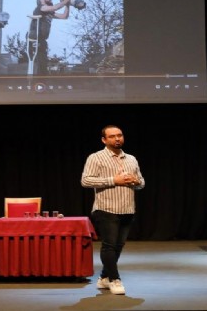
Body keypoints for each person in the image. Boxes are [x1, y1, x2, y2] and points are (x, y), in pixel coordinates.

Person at [81, 125, 145, 295]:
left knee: (118, 246)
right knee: (109, 245)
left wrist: (136, 181)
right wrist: (113, 180)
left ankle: (104, 277)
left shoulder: (131, 159)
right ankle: (114, 279)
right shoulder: (96, 158)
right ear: (104, 140)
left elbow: (142, 182)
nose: (117, 139)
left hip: (127, 208)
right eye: (112, 136)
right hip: (106, 208)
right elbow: (86, 181)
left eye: (119, 135)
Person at [27, 0, 70, 75]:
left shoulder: (49, 13)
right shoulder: (41, 7)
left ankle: (42, 82)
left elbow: (64, 16)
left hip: (42, 39)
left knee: (43, 61)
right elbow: (55, 7)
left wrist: (67, 5)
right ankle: (35, 82)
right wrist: (65, 1)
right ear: (41, 1)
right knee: (39, 60)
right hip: (35, 36)